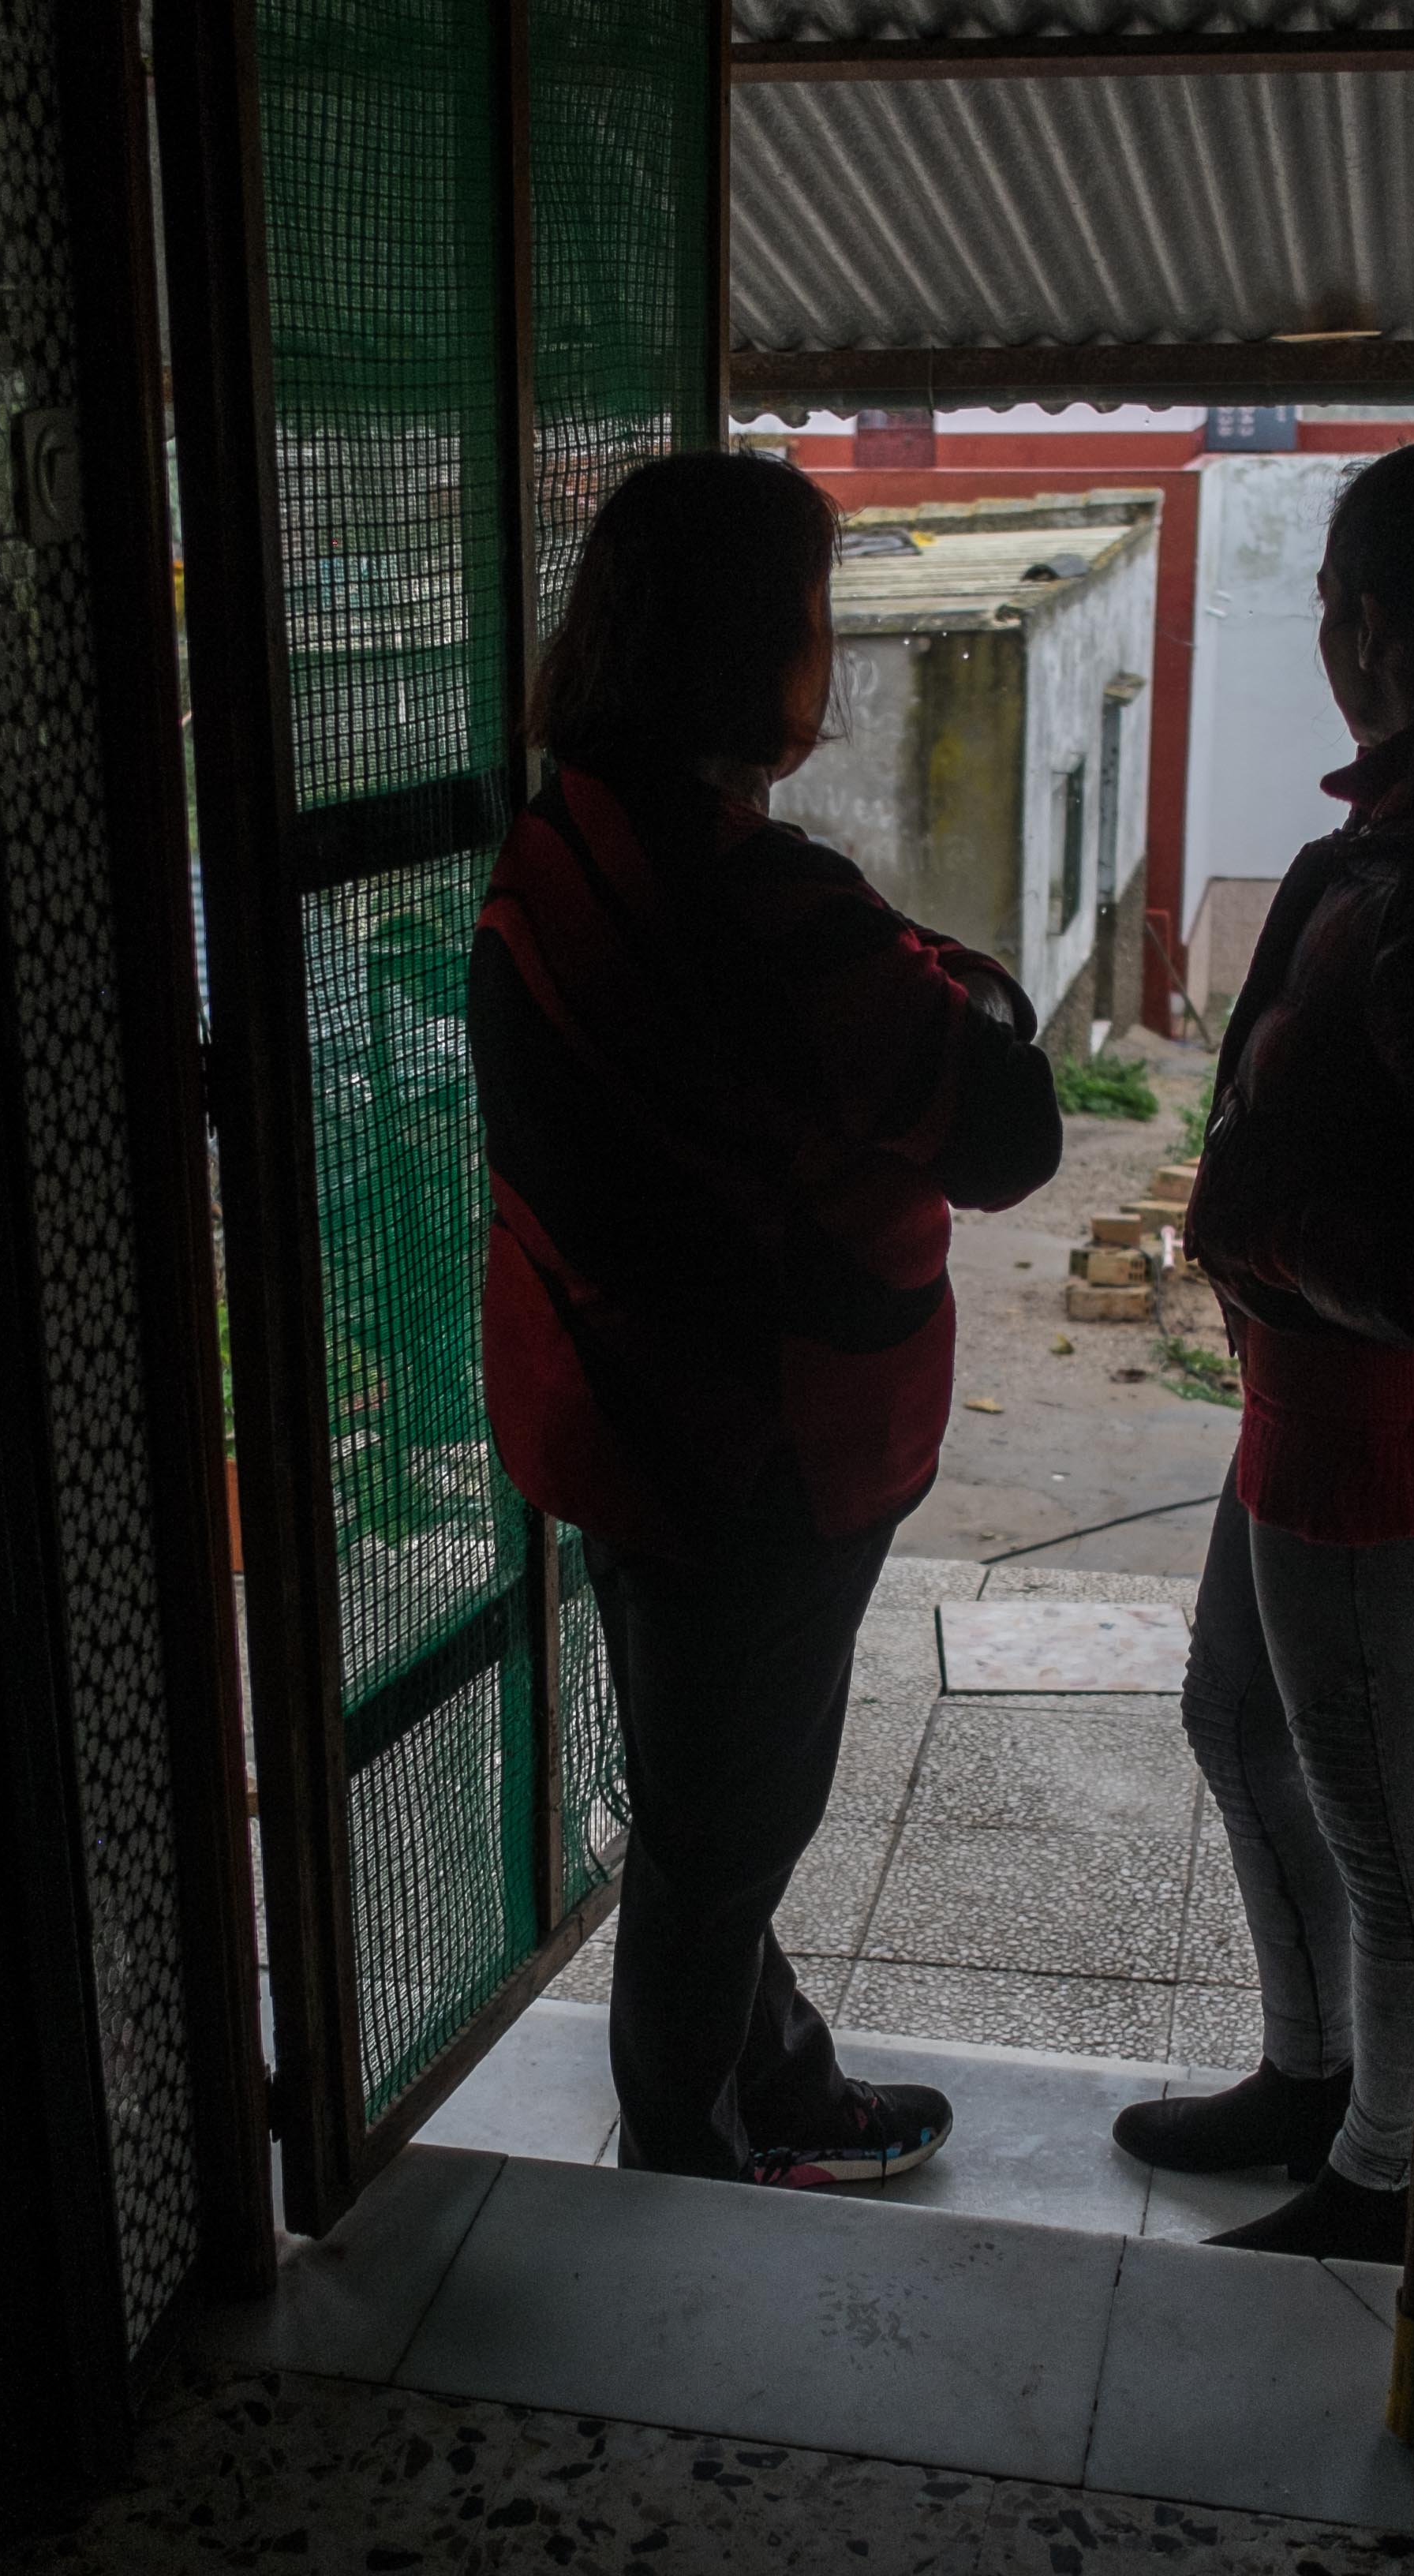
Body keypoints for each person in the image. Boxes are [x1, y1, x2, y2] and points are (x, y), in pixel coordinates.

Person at [469, 451, 1062, 2187]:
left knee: (705, 1797)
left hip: (612, 1403)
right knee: (727, 1834)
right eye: (813, 612)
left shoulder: (563, 834)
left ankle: (778, 2071)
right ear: (757, 646)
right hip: (764, 1438)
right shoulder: (762, 898)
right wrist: (965, 983)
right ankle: (690, 2178)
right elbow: (1006, 1130)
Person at [1111, 421, 1414, 2261]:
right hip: (1304, 1416)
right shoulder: (1393, 849)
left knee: (1383, 1836)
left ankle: (1382, 2181)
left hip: (1378, 1446)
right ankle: (1307, 2080)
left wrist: (1250, 1230)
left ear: (1393, 633)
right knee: (1235, 1723)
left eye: (1351, 604)